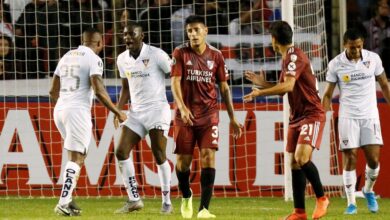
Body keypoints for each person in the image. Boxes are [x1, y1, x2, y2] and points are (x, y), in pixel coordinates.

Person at [243, 21, 329, 220]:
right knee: (294, 163)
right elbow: (283, 87)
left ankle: (322, 198)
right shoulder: (288, 57)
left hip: (311, 114)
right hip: (296, 116)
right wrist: (261, 82)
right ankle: (299, 212)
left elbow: (288, 87)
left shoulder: (293, 56)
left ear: (274, 40)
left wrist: (260, 92)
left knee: (302, 158)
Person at [49, 27, 127, 216]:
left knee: (75, 157)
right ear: (100, 43)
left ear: (82, 40)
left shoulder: (66, 55)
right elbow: (98, 90)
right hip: (77, 111)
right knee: (77, 157)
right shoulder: (93, 58)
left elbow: (52, 91)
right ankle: (63, 202)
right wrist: (117, 111)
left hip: (59, 110)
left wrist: (63, 106)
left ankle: (67, 198)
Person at [171, 15, 242, 219]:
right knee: (183, 163)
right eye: (189, 31)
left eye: (196, 30)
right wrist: (182, 108)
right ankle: (186, 195)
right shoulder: (180, 53)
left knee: (208, 157)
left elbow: (225, 88)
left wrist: (232, 117)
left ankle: (204, 209)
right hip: (185, 116)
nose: (193, 34)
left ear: (205, 31)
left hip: (209, 115)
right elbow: (175, 83)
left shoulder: (217, 56)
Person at [322, 28, 390, 215]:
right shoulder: (336, 64)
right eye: (352, 48)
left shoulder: (373, 59)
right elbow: (327, 94)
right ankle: (351, 203)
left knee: (373, 160)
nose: (356, 51)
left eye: (359, 47)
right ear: (345, 45)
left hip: (370, 116)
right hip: (348, 116)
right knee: (350, 157)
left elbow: (384, 83)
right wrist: (325, 111)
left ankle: (368, 190)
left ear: (362, 45)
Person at [114, 22, 173, 215]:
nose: (127, 38)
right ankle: (134, 199)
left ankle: (166, 202)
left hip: (157, 110)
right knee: (121, 151)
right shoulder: (122, 59)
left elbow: (176, 74)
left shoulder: (157, 55)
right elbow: (125, 87)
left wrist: (182, 101)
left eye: (132, 34)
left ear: (142, 36)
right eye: (125, 35)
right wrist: (118, 110)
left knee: (158, 154)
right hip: (136, 113)